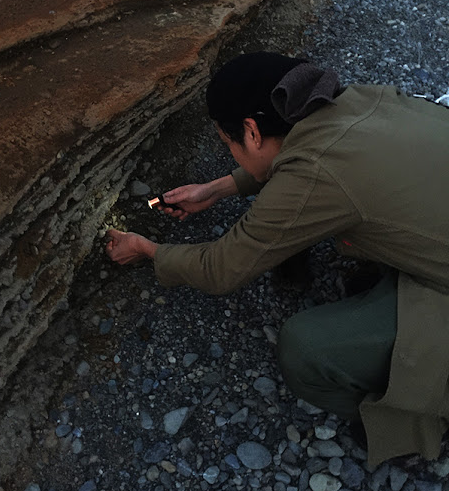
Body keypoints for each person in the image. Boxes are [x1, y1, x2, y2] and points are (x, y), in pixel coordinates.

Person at [106, 51, 449, 468]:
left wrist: (146, 249)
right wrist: (217, 189)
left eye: (227, 142)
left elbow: (221, 268)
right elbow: (303, 155)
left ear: (250, 130)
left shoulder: (316, 178)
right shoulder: (359, 99)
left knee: (305, 348)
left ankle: (411, 421)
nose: (231, 152)